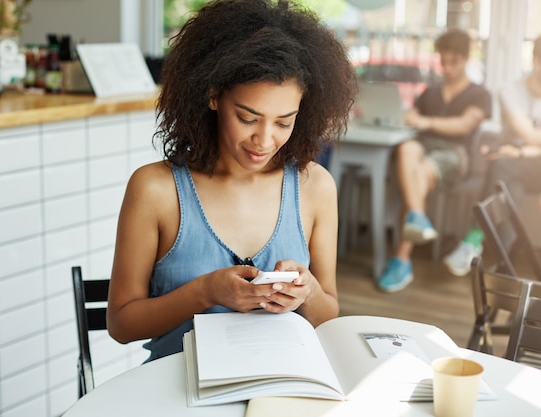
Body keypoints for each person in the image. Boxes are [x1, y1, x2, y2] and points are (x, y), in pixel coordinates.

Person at [106, 0, 357, 362]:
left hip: (277, 383)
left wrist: (308, 292)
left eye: (284, 122)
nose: (265, 140)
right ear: (212, 96)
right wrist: (206, 292)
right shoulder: (155, 190)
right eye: (247, 117)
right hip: (177, 392)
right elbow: (121, 324)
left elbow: (327, 315)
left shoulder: (314, 186)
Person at [377, 28, 492, 292]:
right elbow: (410, 116)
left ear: (466, 59)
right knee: (406, 148)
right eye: (444, 61)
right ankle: (417, 217)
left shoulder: (480, 94)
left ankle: (401, 259)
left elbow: (464, 125)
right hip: (421, 149)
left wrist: (425, 120)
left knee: (418, 171)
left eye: (454, 62)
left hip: (455, 155)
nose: (447, 68)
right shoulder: (431, 91)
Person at [444, 35, 541, 276]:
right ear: (536, 59)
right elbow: (526, 132)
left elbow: (528, 141)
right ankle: (503, 267)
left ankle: (475, 239)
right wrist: (519, 152)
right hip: (513, 170)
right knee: (507, 187)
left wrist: (519, 152)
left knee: (505, 167)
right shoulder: (510, 90)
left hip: (526, 163)